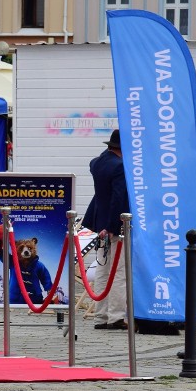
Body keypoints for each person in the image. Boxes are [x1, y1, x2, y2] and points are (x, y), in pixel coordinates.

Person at [82, 129, 129, 330]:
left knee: (102, 269)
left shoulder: (97, 162)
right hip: (114, 225)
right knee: (118, 272)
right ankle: (116, 316)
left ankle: (100, 316)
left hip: (100, 222)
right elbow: (119, 198)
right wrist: (113, 226)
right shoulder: (119, 167)